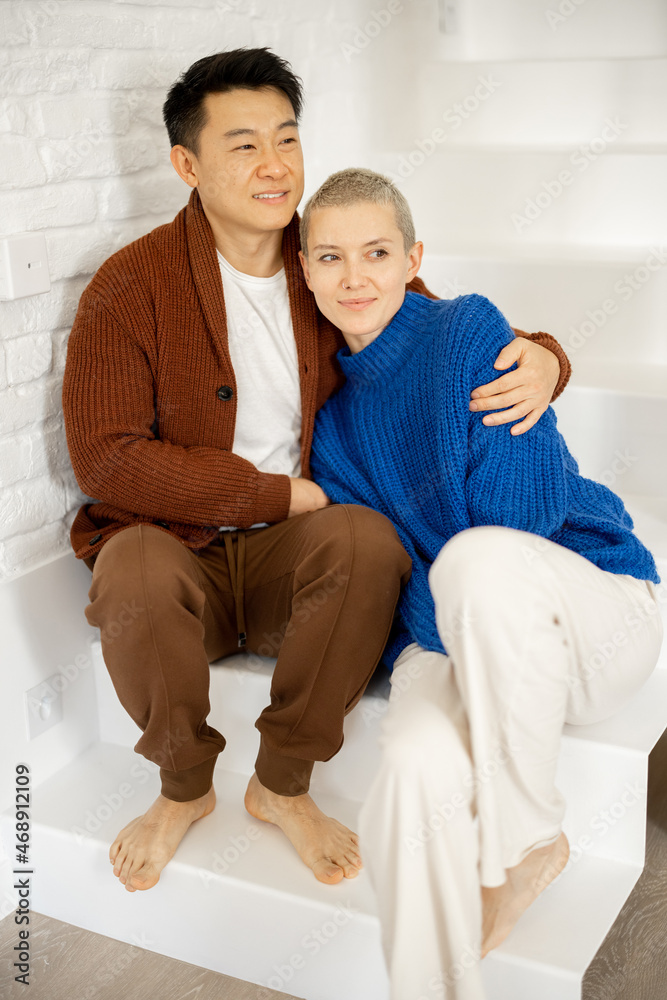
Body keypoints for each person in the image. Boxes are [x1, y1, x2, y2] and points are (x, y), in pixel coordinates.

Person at [62, 49, 570, 896]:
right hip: (176, 553)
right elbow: (106, 457)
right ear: (186, 164)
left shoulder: (324, 262)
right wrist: (269, 493)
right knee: (133, 571)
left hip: (289, 558)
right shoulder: (129, 287)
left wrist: (547, 358)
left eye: (287, 139)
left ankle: (281, 784)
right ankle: (182, 788)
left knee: (368, 540)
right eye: (242, 145)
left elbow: (437, 332)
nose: (273, 165)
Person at [301, 167, 663, 999]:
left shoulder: (466, 332)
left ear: (411, 256)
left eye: (376, 252)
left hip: (589, 619)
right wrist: (446, 603)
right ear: (306, 270)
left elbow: (524, 516)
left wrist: (448, 582)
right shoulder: (330, 427)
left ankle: (531, 838)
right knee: (413, 764)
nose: (353, 277)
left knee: (474, 560)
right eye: (329, 257)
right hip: (464, 638)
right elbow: (393, 577)